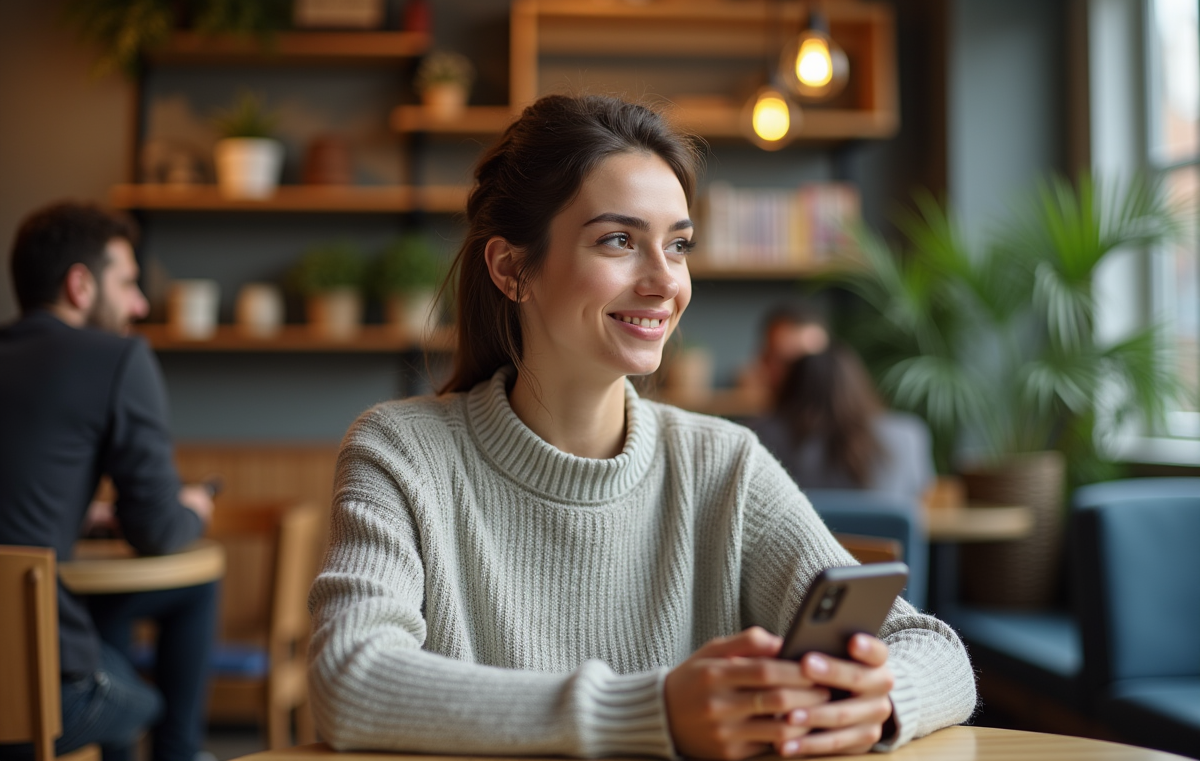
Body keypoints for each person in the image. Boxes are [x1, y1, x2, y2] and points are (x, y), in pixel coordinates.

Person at [307, 94, 975, 759]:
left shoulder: (723, 464)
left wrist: (879, 703)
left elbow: (934, 652)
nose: (664, 282)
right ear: (512, 269)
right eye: (619, 241)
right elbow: (350, 677)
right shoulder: (401, 452)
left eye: (678, 245)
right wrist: (649, 711)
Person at [0, 202, 217, 761]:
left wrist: (77, 513)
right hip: (37, 696)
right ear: (80, 285)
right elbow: (158, 530)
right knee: (148, 704)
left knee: (102, 629)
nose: (140, 305)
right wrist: (191, 506)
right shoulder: (118, 358)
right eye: (127, 283)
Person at [749, 341, 936, 505]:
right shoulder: (908, 435)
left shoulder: (761, 437)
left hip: (800, 546)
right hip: (889, 545)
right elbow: (921, 497)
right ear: (859, 384)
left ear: (793, 388)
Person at [737, 303, 830, 410]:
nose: (805, 372)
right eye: (786, 361)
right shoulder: (759, 424)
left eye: (815, 361)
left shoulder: (849, 423)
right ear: (764, 359)